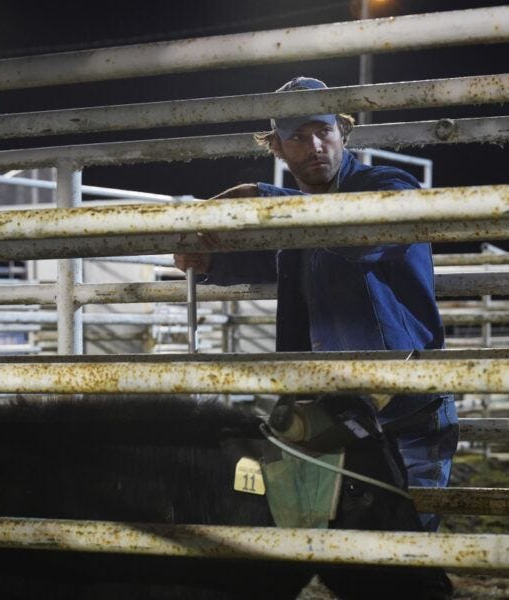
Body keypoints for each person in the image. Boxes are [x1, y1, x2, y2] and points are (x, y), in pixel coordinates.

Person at [174, 76, 457, 532]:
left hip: (402, 406)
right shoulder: (295, 226)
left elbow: (359, 232)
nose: (314, 146)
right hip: (327, 413)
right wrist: (206, 259)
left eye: (323, 131)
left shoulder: (387, 185)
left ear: (343, 133)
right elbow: (278, 258)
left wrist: (259, 195)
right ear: (278, 149)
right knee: (334, 539)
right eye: (297, 137)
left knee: (406, 547)